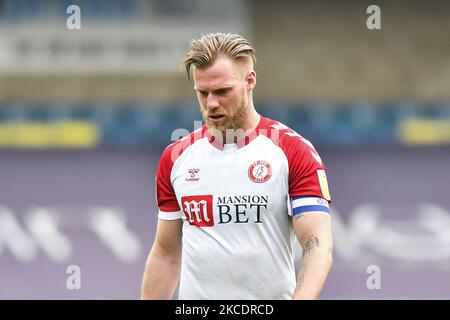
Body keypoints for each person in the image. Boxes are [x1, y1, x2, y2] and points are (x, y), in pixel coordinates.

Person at [140, 33, 333, 300]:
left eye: (222, 91)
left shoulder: (292, 151)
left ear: (249, 82)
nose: (211, 104)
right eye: (203, 93)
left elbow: (317, 246)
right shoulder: (176, 158)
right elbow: (166, 254)